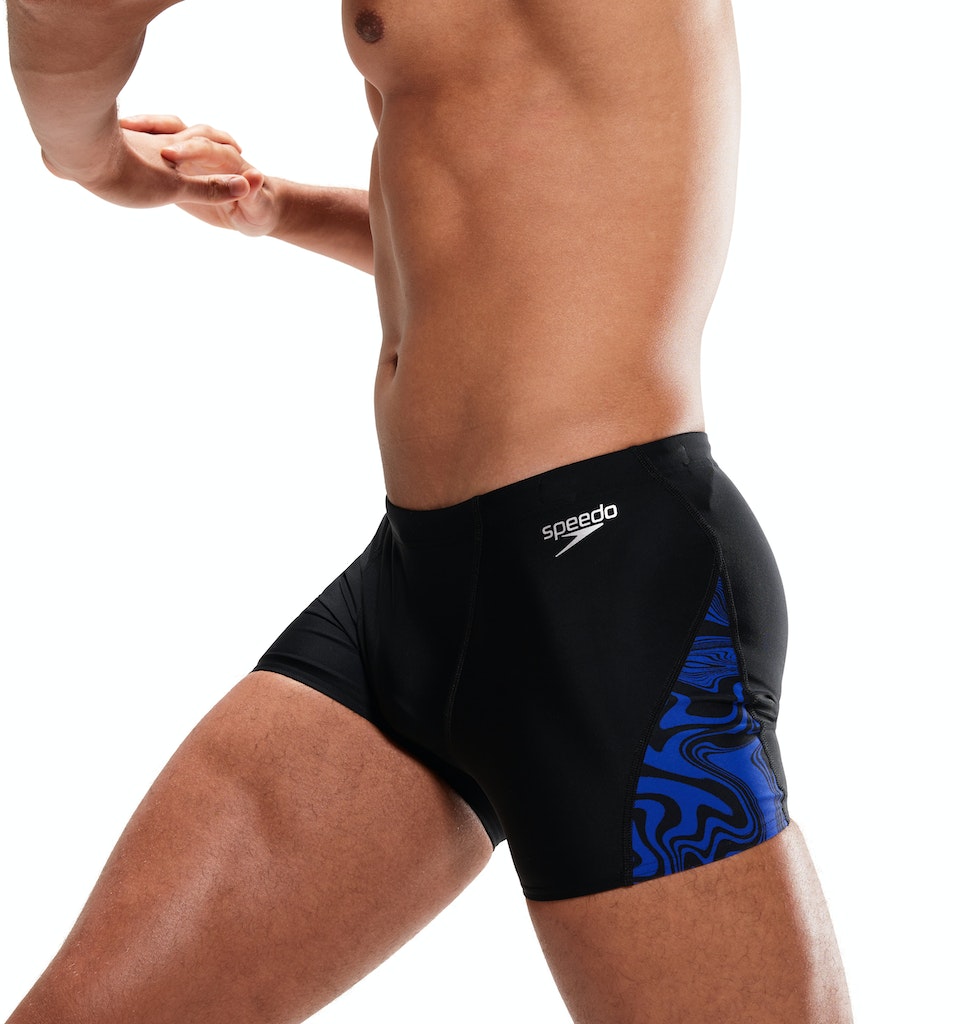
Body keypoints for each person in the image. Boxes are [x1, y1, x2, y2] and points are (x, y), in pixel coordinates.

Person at [6, 0, 853, 1021]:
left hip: (603, 599)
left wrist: (94, 159)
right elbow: (521, 224)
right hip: (415, 594)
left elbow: (65, 11)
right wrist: (280, 209)